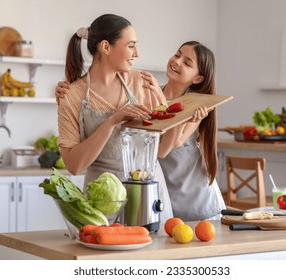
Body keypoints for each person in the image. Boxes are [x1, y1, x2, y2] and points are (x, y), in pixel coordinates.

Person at [56, 14, 173, 222]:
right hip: (103, 203)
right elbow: (74, 166)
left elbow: (163, 139)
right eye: (131, 46)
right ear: (106, 47)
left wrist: (165, 101)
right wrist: (112, 121)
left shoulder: (142, 82)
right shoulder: (71, 96)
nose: (136, 53)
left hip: (148, 198)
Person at [139, 41, 226, 221]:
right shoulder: (150, 95)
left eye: (187, 63)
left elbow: (167, 147)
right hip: (168, 196)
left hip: (198, 201)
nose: (177, 62)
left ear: (197, 79)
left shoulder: (197, 105)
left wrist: (160, 98)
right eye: (177, 55)